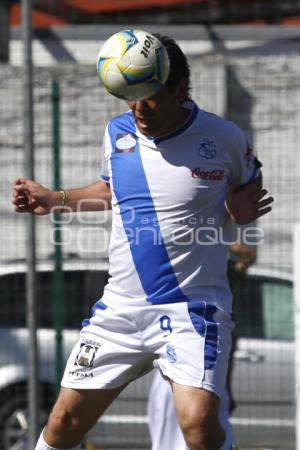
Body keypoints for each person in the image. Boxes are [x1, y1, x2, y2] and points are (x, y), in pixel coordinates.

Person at [12, 33, 273, 450]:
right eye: (129, 98)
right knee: (63, 423)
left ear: (179, 88)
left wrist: (238, 216)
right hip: (122, 308)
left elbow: (248, 197)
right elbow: (112, 191)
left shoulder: (223, 138)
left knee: (199, 425)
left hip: (193, 307)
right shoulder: (117, 133)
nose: (138, 109)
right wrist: (55, 198)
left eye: (149, 97)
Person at [147, 243, 257, 450]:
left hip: (209, 351)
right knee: (175, 418)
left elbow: (245, 259)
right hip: (178, 350)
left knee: (209, 417)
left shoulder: (220, 278)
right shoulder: (177, 271)